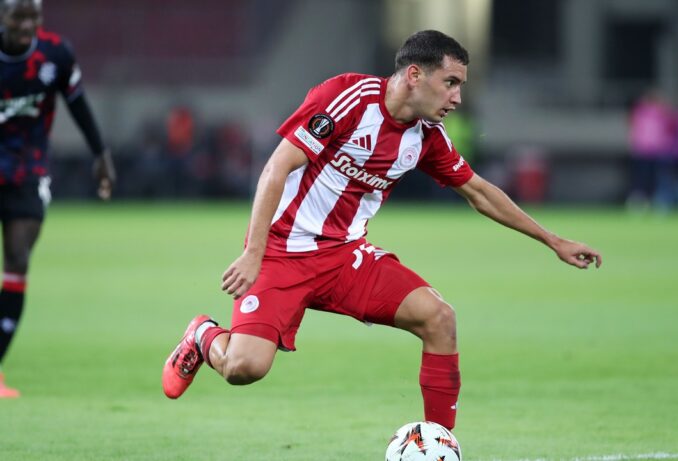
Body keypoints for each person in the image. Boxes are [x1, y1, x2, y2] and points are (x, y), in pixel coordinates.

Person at [161, 30, 601, 430]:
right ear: (415, 75)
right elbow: (277, 167)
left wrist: (552, 240)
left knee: (439, 319)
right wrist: (254, 252)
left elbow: (480, 193)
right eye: (451, 82)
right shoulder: (346, 98)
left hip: (345, 258)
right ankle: (202, 335)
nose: (457, 98)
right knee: (244, 369)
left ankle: (438, 445)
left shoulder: (427, 136)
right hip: (281, 252)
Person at [0, 0, 116, 398]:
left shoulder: (55, 55)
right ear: (2, 17)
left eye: (33, 16)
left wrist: (100, 154)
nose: (27, 25)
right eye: (18, 16)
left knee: (18, 258)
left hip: (28, 172)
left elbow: (78, 104)